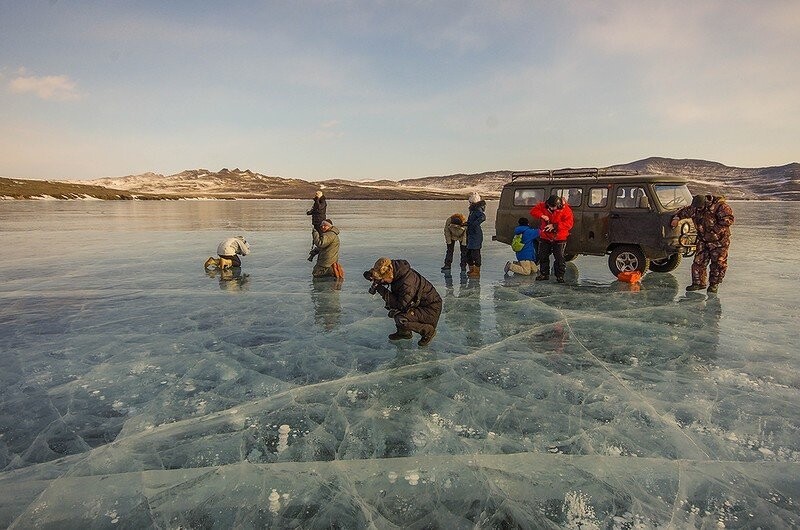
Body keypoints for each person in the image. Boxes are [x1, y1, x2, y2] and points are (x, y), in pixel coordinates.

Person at [364, 257, 442, 346]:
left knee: (400, 317)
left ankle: (428, 331)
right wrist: (370, 275)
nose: (382, 282)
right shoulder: (395, 268)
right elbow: (381, 270)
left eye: (383, 280)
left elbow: (400, 305)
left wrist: (381, 290)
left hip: (430, 309)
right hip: (420, 303)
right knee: (397, 313)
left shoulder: (407, 284)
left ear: (390, 275)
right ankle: (404, 333)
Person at [671, 194, 734, 293]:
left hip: (719, 242)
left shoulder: (720, 207)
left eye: (700, 207)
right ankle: (698, 283)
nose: (698, 209)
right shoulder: (695, 208)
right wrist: (676, 218)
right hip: (703, 240)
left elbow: (728, 220)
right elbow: (683, 212)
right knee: (698, 262)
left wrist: (713, 231)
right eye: (696, 208)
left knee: (718, 263)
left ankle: (714, 285)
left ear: (705, 203)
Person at [529, 195, 574, 283]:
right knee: (543, 255)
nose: (552, 208)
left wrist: (555, 226)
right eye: (550, 207)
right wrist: (542, 215)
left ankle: (560, 276)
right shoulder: (543, 206)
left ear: (558, 205)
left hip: (559, 237)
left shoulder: (566, 210)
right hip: (545, 236)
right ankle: (544, 274)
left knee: (559, 257)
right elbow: (533, 211)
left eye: (553, 207)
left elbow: (569, 224)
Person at [465, 192, 486, 278]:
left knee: (475, 254)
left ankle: (476, 271)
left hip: (475, 235)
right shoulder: (473, 210)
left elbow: (483, 217)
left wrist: (473, 224)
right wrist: (467, 223)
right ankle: (472, 270)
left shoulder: (477, 210)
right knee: (469, 254)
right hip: (471, 234)